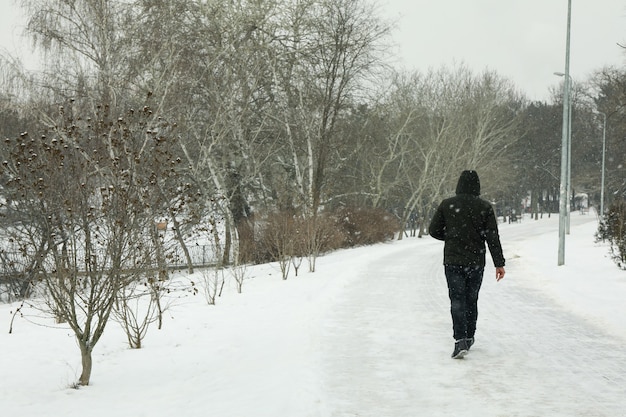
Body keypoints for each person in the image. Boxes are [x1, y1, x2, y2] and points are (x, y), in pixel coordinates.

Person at [428, 170, 506, 359]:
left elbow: (433, 230)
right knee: (471, 299)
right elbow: (492, 237)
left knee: (457, 300)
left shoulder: (448, 205)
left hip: (453, 261)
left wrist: (451, 236)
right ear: (477, 186)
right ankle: (469, 336)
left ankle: (459, 340)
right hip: (476, 262)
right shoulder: (484, 207)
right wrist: (499, 263)